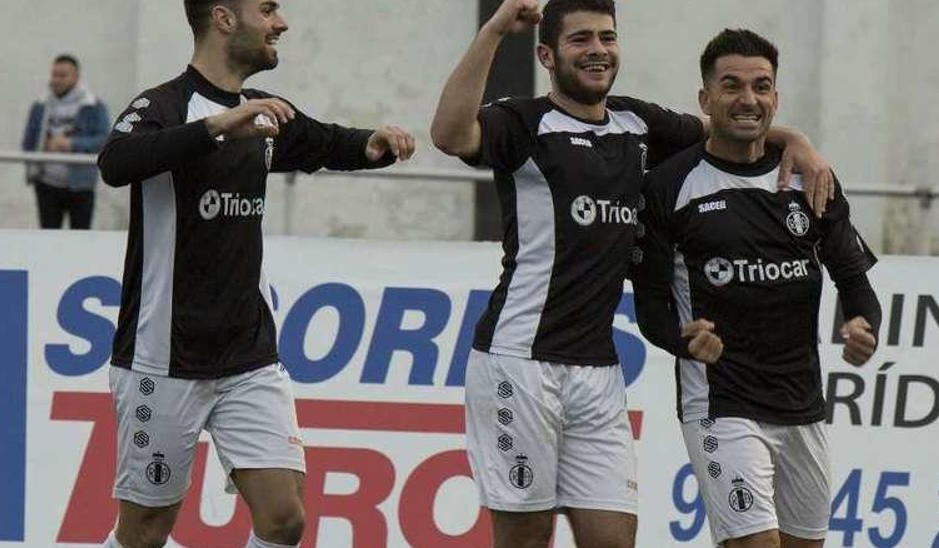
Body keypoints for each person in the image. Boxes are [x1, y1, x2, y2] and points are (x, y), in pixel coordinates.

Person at [430, 1, 835, 546]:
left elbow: (729, 125)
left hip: (598, 371)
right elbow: (450, 134)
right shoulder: (523, 122)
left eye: (607, 37)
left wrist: (796, 141)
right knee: (526, 539)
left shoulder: (638, 123)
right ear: (547, 55)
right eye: (580, 40)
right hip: (519, 362)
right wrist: (497, 29)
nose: (597, 49)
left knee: (614, 539)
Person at [96, 1, 415, 547]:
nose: (281, 23)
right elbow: (115, 163)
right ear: (224, 19)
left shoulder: (264, 111)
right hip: (162, 355)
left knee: (283, 519)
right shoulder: (165, 105)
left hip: (248, 356)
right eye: (267, 9)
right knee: (145, 533)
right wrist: (218, 127)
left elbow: (324, 141)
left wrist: (372, 144)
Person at [631, 29, 881, 548]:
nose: (748, 100)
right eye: (732, 86)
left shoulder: (811, 180)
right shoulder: (669, 186)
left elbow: (855, 283)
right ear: (706, 99)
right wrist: (685, 340)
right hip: (721, 403)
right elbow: (652, 309)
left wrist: (863, 326)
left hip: (802, 404)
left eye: (761, 87)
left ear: (775, 97)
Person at [21, 54, 110, 229]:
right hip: (46, 184)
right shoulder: (40, 105)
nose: (56, 80)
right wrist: (42, 146)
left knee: (80, 239)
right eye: (54, 74)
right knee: (48, 239)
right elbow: (28, 142)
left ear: (76, 77)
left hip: (81, 185)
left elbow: (104, 141)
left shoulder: (93, 106)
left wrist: (71, 144)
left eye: (62, 75)